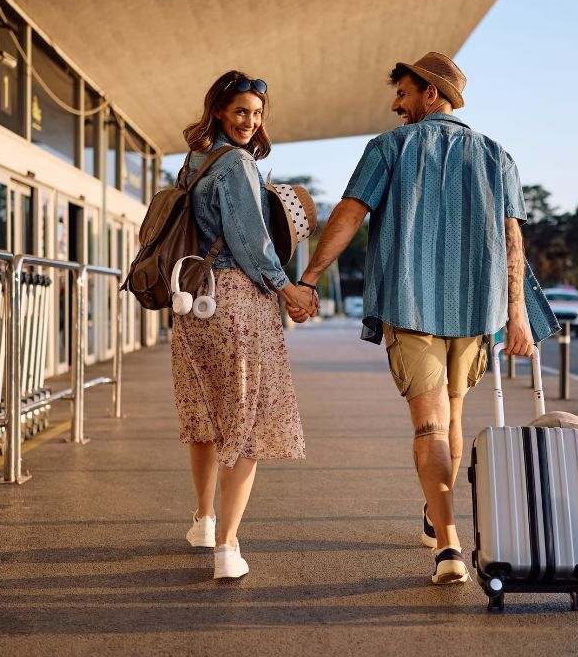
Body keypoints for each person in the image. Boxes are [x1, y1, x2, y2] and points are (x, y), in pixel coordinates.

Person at [300, 52, 554, 585]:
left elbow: (349, 215)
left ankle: (449, 545)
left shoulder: (388, 148)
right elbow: (513, 238)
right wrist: (516, 315)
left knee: (430, 424)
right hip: (475, 309)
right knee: (452, 419)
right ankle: (437, 516)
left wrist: (308, 278)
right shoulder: (496, 155)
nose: (396, 104)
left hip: (411, 304)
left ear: (431, 95)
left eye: (404, 93)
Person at [171, 70, 318, 579]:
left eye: (256, 115)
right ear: (217, 110)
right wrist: (289, 287)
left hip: (193, 303)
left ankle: (204, 520)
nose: (249, 123)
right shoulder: (236, 164)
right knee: (245, 422)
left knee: (205, 416)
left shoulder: (191, 165)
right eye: (240, 112)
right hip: (236, 302)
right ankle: (228, 548)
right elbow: (252, 242)